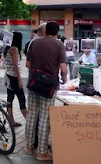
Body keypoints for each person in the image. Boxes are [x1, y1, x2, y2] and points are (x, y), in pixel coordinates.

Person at [25, 21, 68, 161]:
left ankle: (29, 147)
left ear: (44, 31)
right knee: (44, 117)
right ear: (57, 32)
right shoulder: (59, 44)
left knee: (31, 115)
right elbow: (63, 68)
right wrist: (65, 79)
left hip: (33, 82)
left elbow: (28, 64)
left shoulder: (34, 43)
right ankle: (42, 152)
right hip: (49, 85)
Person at [4, 32, 27, 127]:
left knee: (10, 98)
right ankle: (31, 122)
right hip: (14, 77)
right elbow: (15, 65)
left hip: (8, 76)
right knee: (22, 99)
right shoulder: (15, 49)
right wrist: (19, 80)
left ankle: (11, 120)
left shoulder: (7, 48)